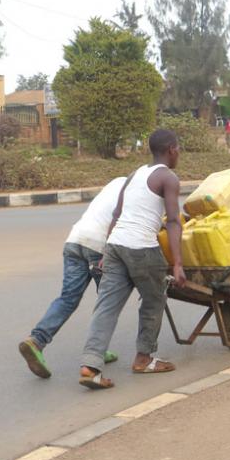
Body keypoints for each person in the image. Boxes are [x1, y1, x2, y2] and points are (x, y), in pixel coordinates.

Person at [78, 129, 186, 390]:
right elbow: (173, 221)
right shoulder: (168, 177)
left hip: (115, 246)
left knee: (107, 305)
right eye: (178, 149)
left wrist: (106, 252)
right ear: (171, 149)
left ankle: (90, 366)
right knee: (154, 298)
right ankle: (144, 358)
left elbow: (117, 214)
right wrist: (178, 264)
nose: (179, 153)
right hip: (141, 248)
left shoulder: (134, 174)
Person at [18, 177, 127, 379]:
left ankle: (36, 341)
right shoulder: (139, 189)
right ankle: (95, 352)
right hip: (98, 245)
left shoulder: (117, 182)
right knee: (107, 303)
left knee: (68, 298)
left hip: (75, 240)